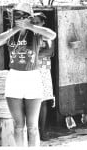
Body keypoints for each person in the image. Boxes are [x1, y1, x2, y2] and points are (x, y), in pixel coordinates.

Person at [0, 2, 56, 146]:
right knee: (18, 126)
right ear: (13, 17)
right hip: (14, 78)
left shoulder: (35, 32)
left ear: (29, 17)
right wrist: (16, 28)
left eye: (23, 15)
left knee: (33, 127)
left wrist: (30, 26)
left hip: (33, 77)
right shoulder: (11, 33)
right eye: (17, 15)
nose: (20, 18)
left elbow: (52, 35)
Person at [33, 12, 55, 141]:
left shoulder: (47, 35)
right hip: (29, 70)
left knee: (43, 101)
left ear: (43, 23)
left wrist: (33, 54)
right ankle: (33, 132)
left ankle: (43, 132)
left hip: (43, 70)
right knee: (31, 100)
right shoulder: (28, 34)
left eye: (37, 22)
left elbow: (49, 51)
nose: (34, 24)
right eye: (33, 22)